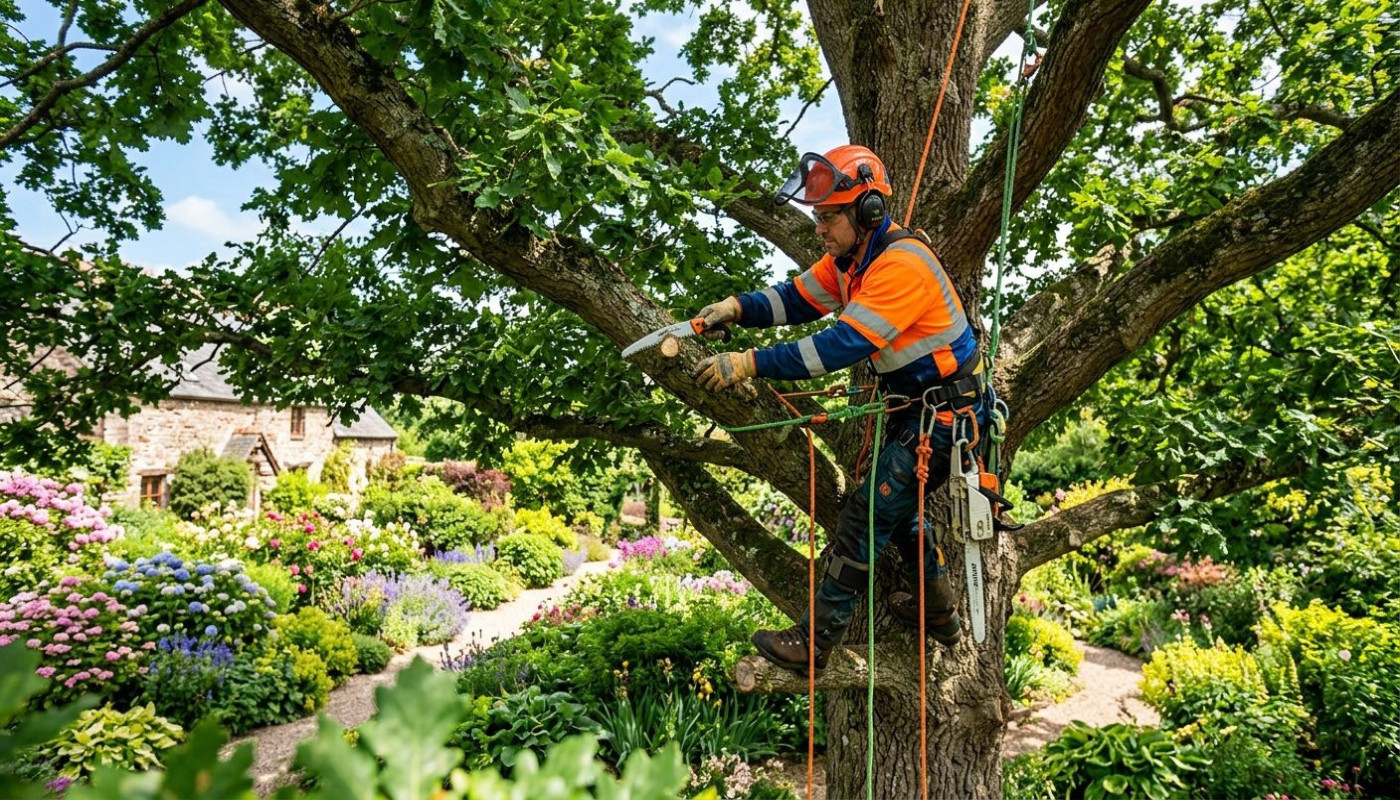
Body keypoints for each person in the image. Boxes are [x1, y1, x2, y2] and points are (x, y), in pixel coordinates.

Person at [692, 144, 988, 673]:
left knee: (864, 517)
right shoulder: (851, 263)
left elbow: (839, 347)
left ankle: (814, 643)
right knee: (898, 516)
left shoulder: (901, 266)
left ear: (868, 211)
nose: (820, 230)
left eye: (829, 217)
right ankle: (939, 613)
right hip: (918, 413)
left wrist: (749, 363)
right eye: (818, 218)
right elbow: (796, 299)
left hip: (945, 419)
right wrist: (737, 306)